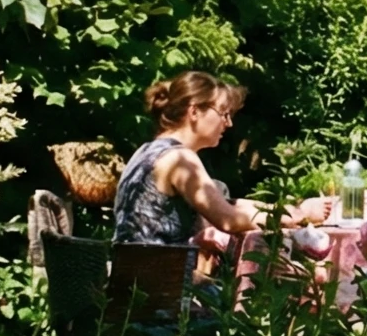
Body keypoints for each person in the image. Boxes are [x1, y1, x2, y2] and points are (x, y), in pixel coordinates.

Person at [112, 72, 301, 247]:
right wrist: (294, 215)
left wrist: (286, 209)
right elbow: (228, 218)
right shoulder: (180, 159)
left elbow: (225, 202)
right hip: (162, 279)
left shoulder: (147, 151)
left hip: (136, 272)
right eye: (223, 113)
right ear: (194, 112)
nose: (229, 123)